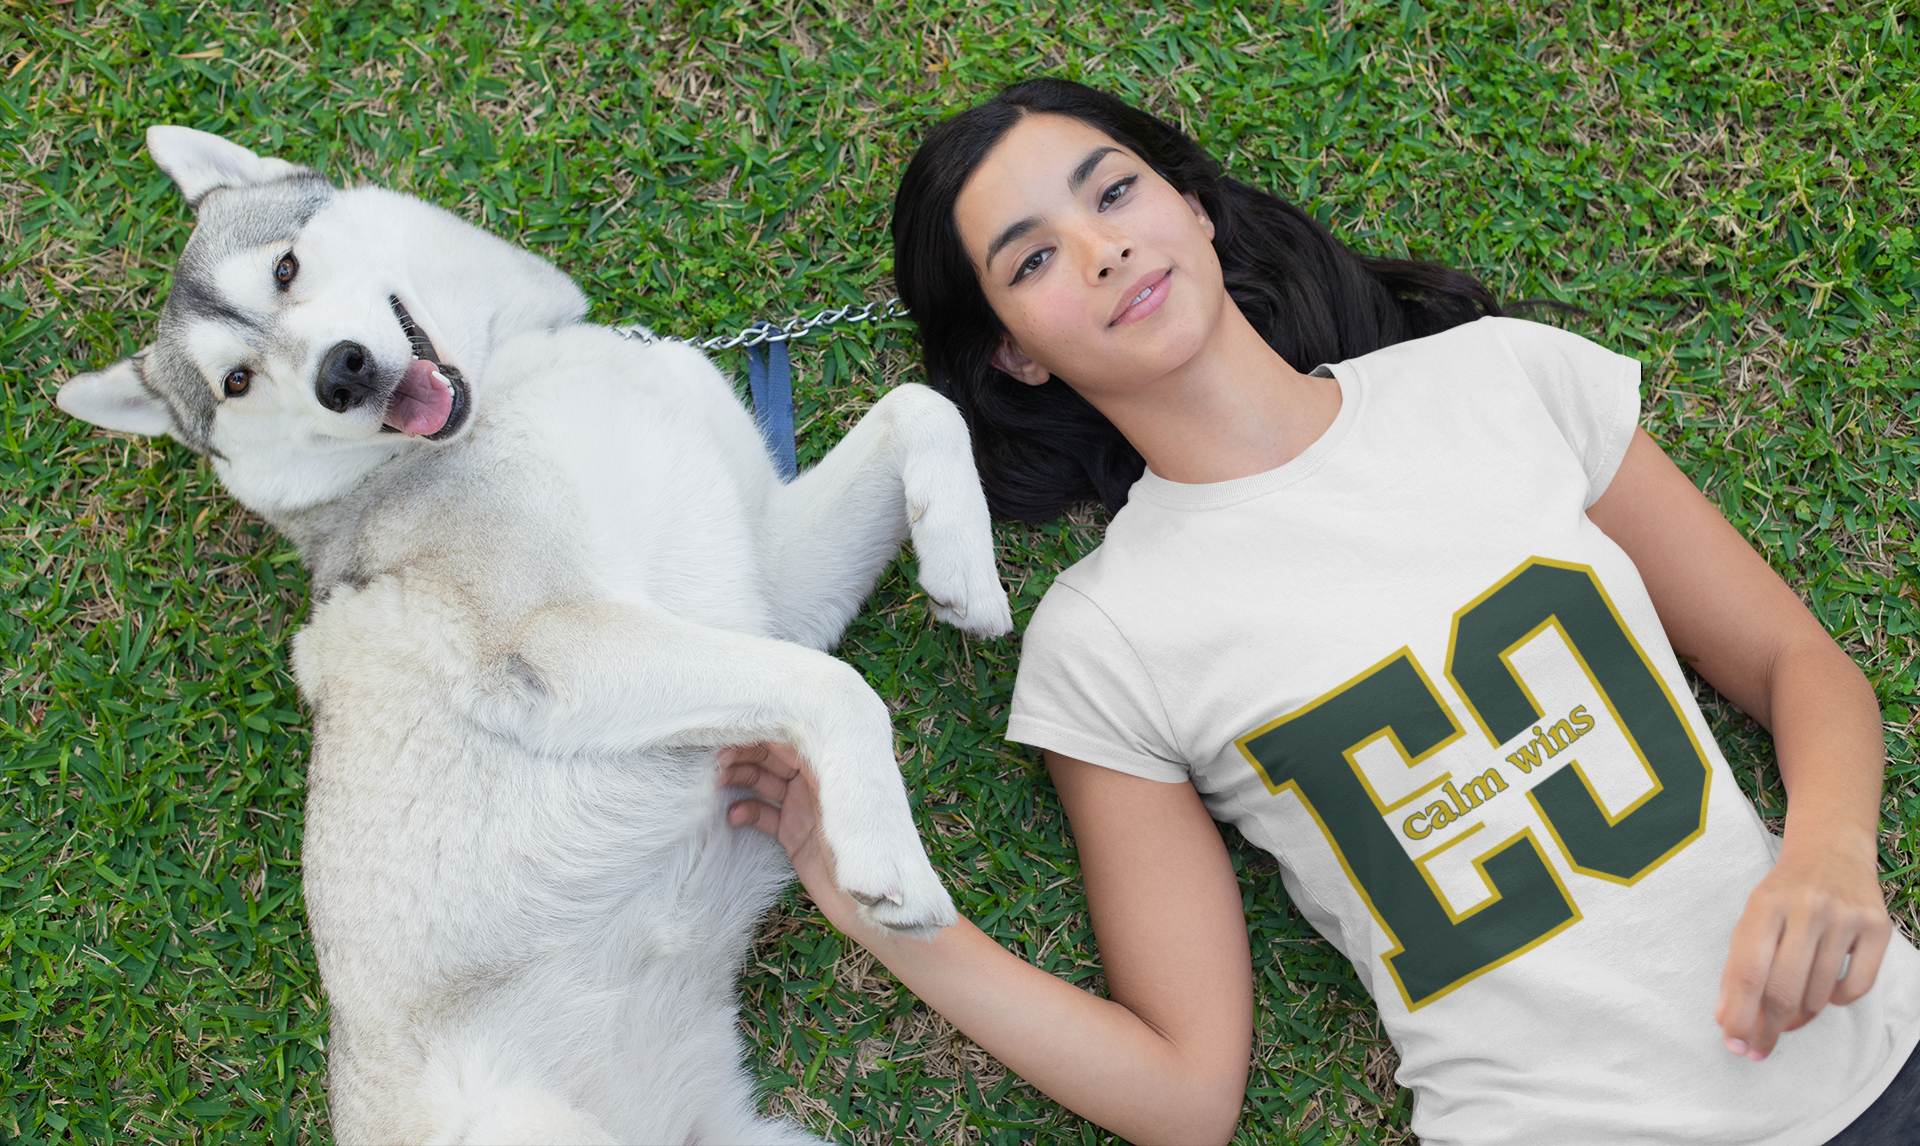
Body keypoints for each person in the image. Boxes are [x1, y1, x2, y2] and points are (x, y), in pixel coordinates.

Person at [718, 78, 1920, 1145]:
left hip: (1886, 1047)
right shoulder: (1104, 639)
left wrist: (1827, 852)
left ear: (1194, 205)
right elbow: (1188, 1095)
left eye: (1116, 193)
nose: (1099, 250)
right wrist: (866, 894)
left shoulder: (1502, 376)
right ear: (1015, 356)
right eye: (1030, 260)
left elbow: (1788, 655)